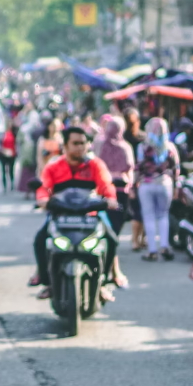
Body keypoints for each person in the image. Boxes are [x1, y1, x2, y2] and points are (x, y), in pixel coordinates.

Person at [32, 128, 119, 301]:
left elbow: (106, 185)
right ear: (65, 146)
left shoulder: (95, 164)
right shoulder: (54, 166)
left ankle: (103, 282)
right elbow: (44, 188)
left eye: (84, 143)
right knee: (40, 240)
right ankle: (47, 281)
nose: (80, 147)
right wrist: (42, 199)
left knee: (112, 240)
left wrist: (110, 198)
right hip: (60, 215)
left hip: (90, 216)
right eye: (76, 143)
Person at [92, 116, 134, 288]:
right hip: (119, 193)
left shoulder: (100, 145)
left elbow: (94, 164)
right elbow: (130, 167)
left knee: (106, 232)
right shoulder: (126, 147)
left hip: (103, 192)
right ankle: (110, 271)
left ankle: (110, 270)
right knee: (112, 233)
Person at [136, 117, 181, 261]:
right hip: (164, 184)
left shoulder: (142, 147)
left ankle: (152, 250)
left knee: (148, 217)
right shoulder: (170, 147)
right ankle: (164, 246)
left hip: (146, 184)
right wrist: (176, 186)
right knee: (163, 215)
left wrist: (134, 184)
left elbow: (138, 167)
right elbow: (176, 168)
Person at [122, 107, 147, 250]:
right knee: (137, 210)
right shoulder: (122, 138)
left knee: (144, 210)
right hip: (129, 178)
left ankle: (142, 238)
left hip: (143, 177)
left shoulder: (143, 138)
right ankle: (135, 240)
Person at [0, 122, 18, 192]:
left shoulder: (14, 134)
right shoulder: (2, 135)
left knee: (11, 170)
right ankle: (5, 186)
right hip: (3, 154)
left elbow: (16, 144)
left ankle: (12, 184)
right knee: (3, 171)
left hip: (12, 154)